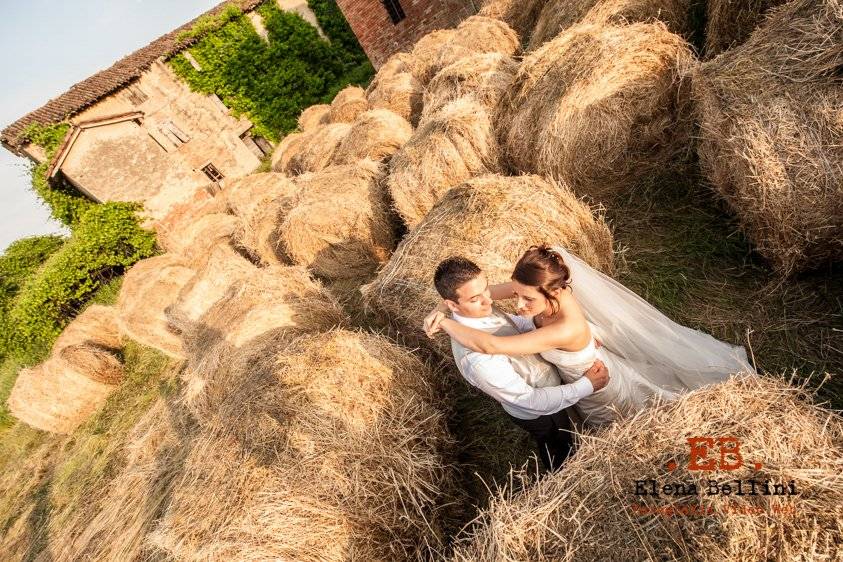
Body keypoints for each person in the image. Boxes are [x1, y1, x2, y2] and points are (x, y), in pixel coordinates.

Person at [426, 245, 754, 426]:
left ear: (552, 293)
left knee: (640, 416)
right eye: (518, 294)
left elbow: (493, 344)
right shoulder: (545, 291)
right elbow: (490, 294)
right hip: (585, 367)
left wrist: (446, 323)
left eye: (527, 299)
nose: (518, 303)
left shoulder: (563, 326)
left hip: (597, 384)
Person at [432, 256, 610, 471]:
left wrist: (567, 336)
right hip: (541, 414)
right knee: (559, 447)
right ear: (452, 305)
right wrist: (587, 386)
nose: (489, 301)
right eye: (475, 299)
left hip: (554, 390)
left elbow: (515, 325)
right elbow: (531, 401)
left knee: (571, 431)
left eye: (487, 289)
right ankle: (564, 476)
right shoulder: (478, 361)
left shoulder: (482, 308)